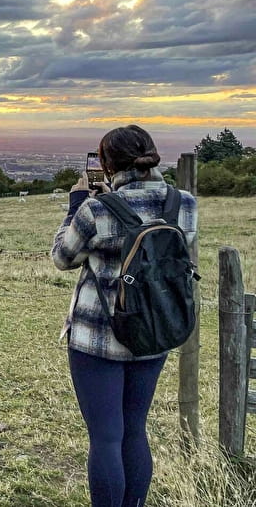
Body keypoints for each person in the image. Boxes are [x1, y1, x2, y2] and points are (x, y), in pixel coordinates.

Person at [51, 125, 197, 507]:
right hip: (154, 330)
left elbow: (62, 258)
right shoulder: (183, 203)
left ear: (106, 163)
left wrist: (76, 204)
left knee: (105, 437)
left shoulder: (95, 209)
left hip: (97, 338)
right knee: (135, 431)